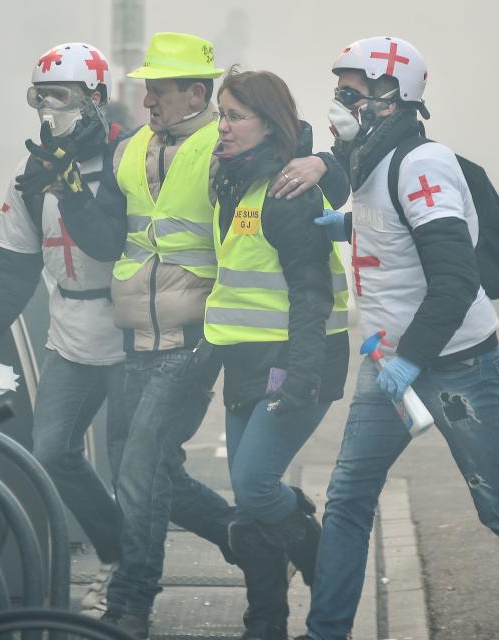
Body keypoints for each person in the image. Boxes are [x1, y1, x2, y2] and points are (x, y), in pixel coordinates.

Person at [27, 32, 350, 639]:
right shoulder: (133, 151)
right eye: (147, 89)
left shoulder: (221, 150)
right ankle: (251, 546)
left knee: (143, 469)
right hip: (140, 336)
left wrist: (325, 163)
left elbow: (287, 148)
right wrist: (68, 184)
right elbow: (104, 239)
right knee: (146, 472)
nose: (147, 101)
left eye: (160, 90)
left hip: (196, 335)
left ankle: (132, 601)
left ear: (193, 93)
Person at [295, 36, 499, 640]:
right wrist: (346, 225)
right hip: (390, 361)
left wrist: (410, 362)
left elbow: (454, 279)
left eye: (353, 93)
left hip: (454, 367)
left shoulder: (422, 164)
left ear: (392, 99)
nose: (340, 104)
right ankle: (326, 633)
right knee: (347, 501)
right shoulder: (368, 159)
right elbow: (395, 229)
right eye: (338, 91)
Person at [0, 42, 126, 616]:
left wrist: (73, 185)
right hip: (71, 333)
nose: (50, 109)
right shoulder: (30, 175)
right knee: (52, 451)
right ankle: (117, 554)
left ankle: (142, 577)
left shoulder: (128, 161)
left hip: (132, 332)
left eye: (64, 96)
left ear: (96, 99)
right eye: (42, 97)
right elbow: (11, 263)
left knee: (142, 469)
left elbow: (108, 241)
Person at [207, 67, 350, 640]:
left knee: (257, 486)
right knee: (247, 509)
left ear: (270, 125)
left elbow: (311, 295)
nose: (224, 127)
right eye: (222, 115)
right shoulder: (234, 180)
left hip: (293, 362)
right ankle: (264, 625)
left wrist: (301, 379)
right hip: (246, 361)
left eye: (235, 116)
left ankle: (324, 569)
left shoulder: (289, 191)